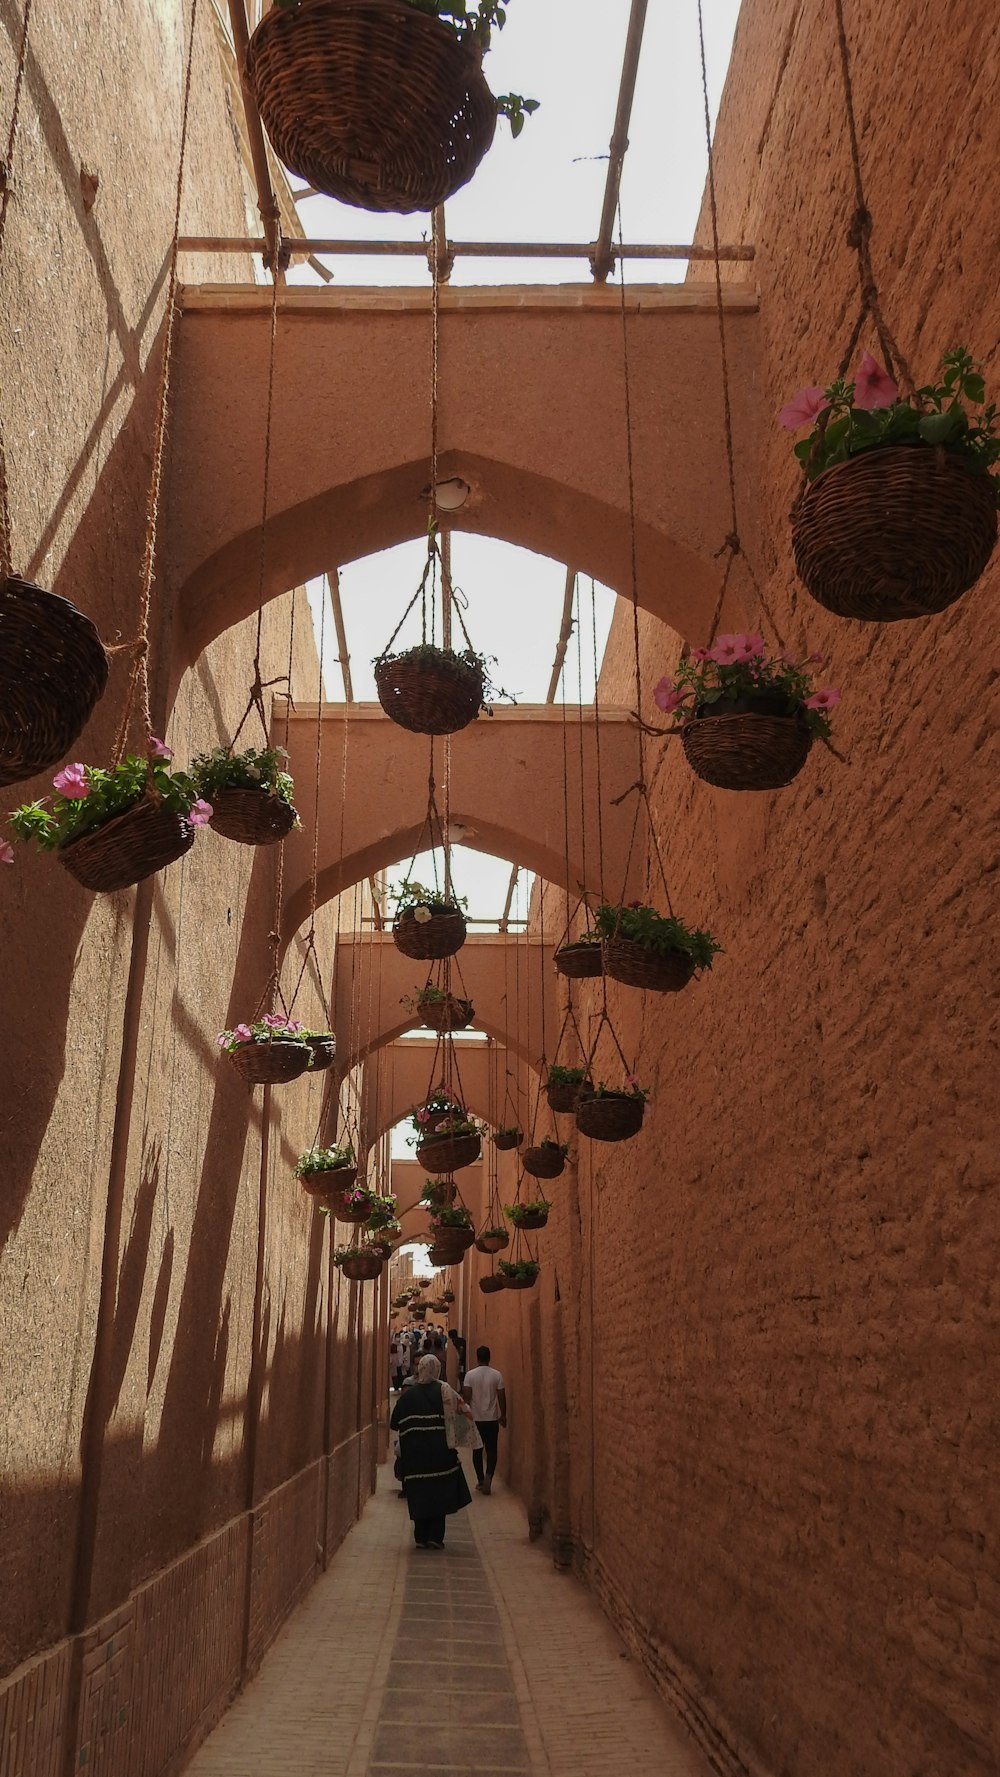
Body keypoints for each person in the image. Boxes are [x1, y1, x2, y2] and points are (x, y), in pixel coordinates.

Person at [390, 1353, 473, 1548]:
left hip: (414, 1456)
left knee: (420, 1492)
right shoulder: (445, 1390)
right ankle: (435, 1537)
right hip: (440, 1454)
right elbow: (465, 1413)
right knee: (439, 1492)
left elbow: (394, 1423)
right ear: (437, 1369)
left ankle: (420, 1537)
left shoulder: (408, 1395)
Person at [463, 1346, 506, 1495]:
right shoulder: (497, 1375)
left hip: (476, 1419)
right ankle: (489, 1477)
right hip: (492, 1419)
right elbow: (501, 1396)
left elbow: (467, 1396)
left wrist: (466, 1414)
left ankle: (480, 1480)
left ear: (477, 1357)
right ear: (489, 1357)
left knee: (477, 1450)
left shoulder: (470, 1375)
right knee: (492, 1450)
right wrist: (503, 1415)